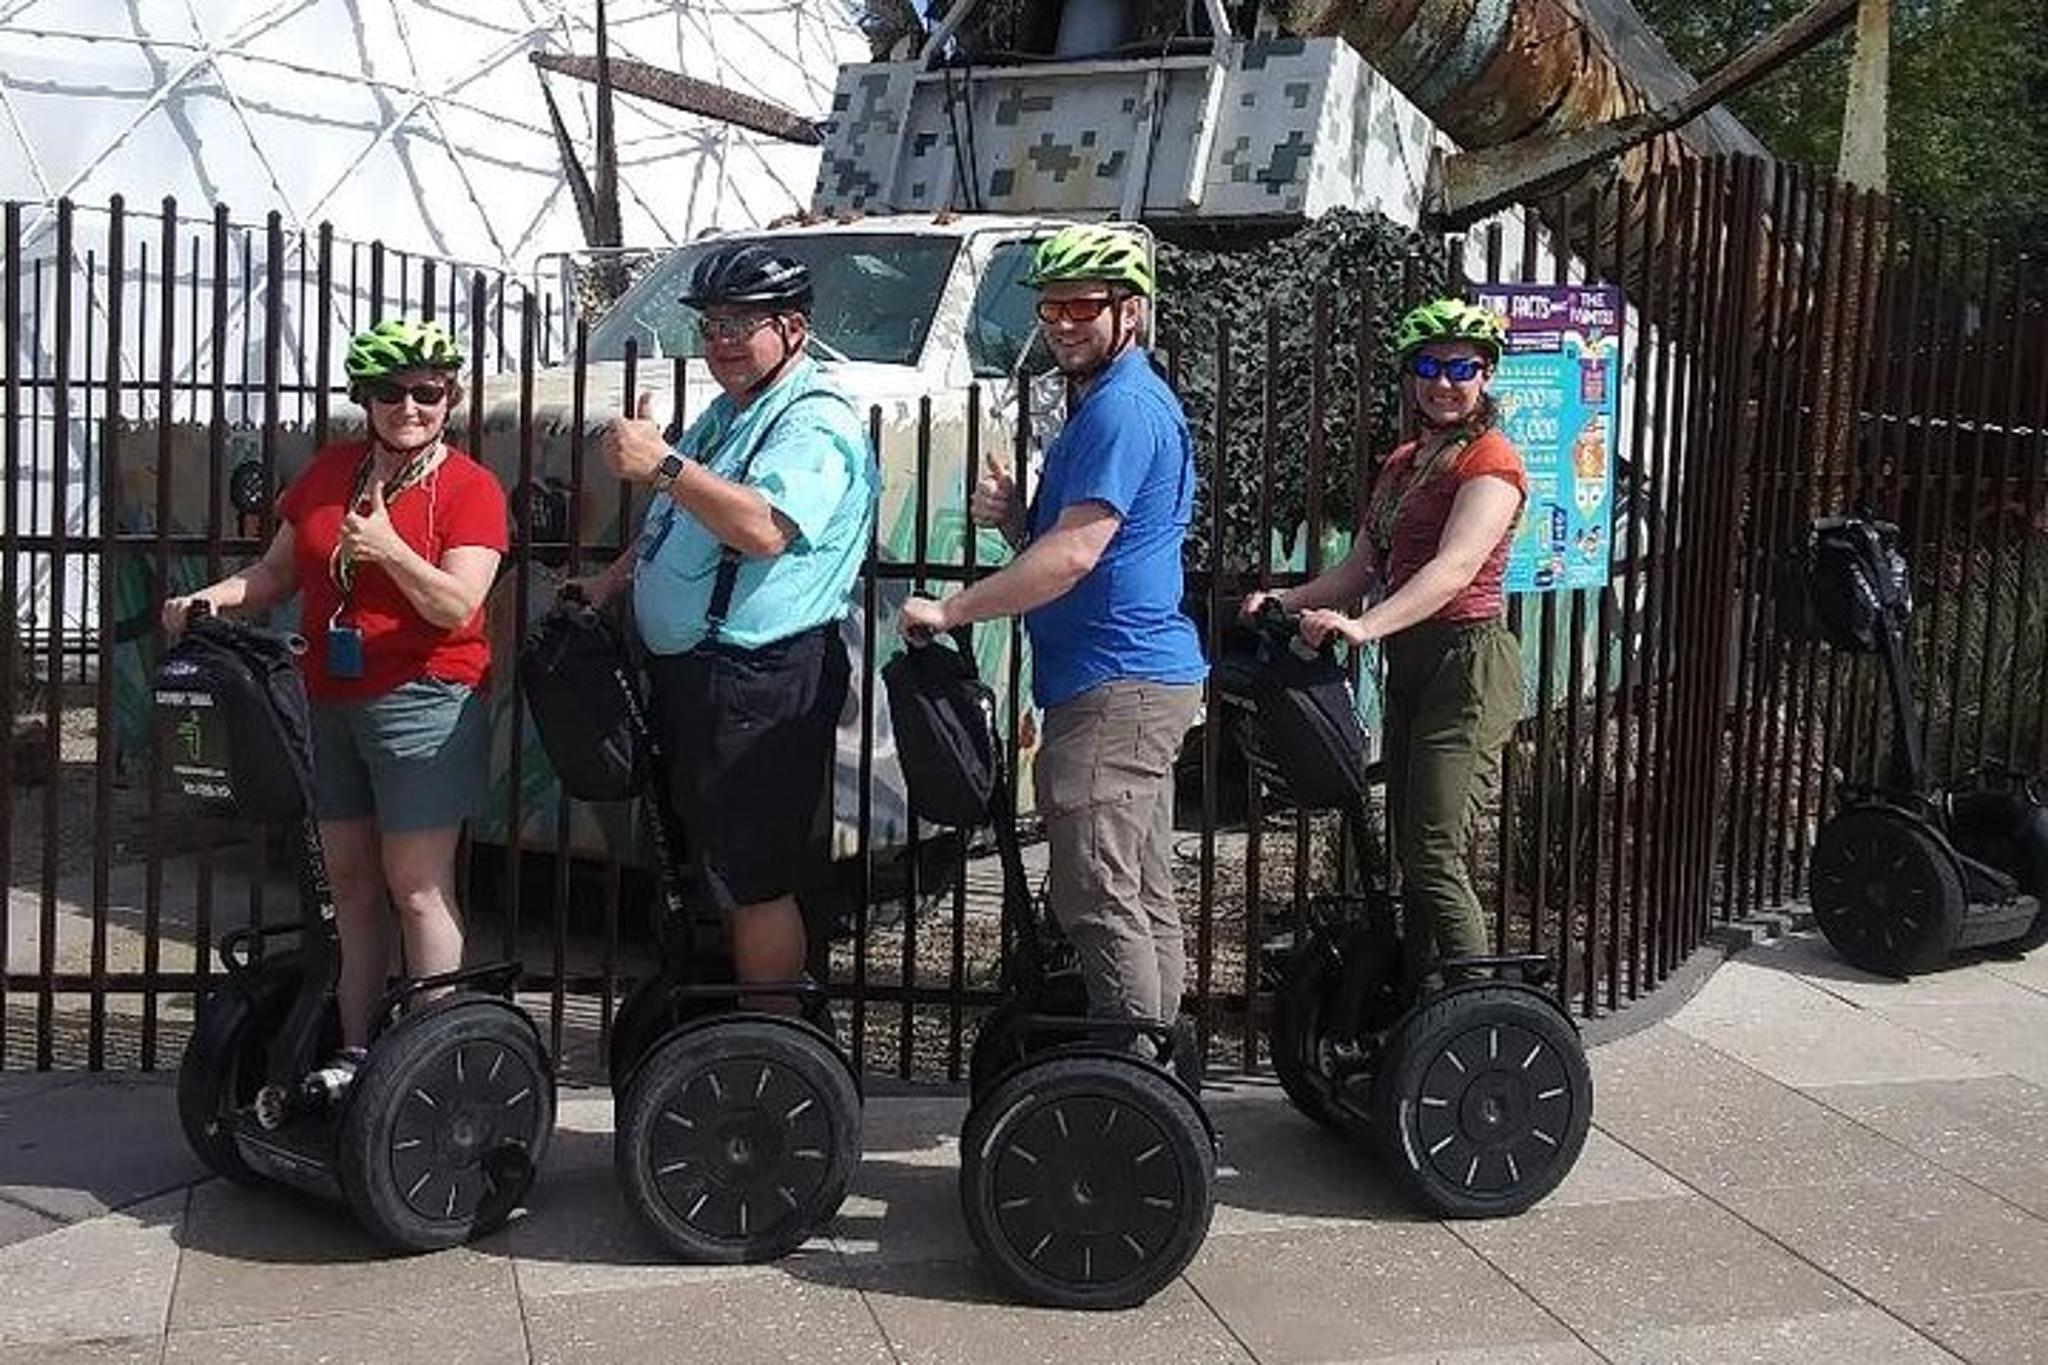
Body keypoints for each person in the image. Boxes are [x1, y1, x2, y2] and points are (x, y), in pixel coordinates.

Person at [163, 318, 508, 1083]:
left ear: (449, 398)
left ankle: (430, 1058)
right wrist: (209, 599)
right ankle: (355, 1053)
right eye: (391, 392)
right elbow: (277, 573)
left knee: (417, 886)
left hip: (425, 698)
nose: (410, 407)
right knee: (348, 883)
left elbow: (459, 606)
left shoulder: (470, 490)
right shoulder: (331, 472)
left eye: (427, 392)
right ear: (366, 397)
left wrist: (388, 550)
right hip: (328, 696)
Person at [898, 223, 1205, 1038]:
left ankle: (1130, 1077)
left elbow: (1076, 555)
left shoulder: (1123, 409)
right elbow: (1076, 538)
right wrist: (1016, 520)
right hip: (1117, 677)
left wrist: (953, 608)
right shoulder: (1105, 404)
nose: (1062, 321)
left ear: (1129, 313)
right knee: (1136, 887)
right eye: (1049, 306)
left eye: (1082, 305)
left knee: (1098, 892)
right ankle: (1154, 1063)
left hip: (1118, 682)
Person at [568, 243, 877, 1009]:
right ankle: (737, 1030)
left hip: (759, 677)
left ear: (794, 329)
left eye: (742, 323)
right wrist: (612, 580)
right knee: (713, 865)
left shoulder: (814, 422)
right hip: (701, 675)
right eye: (711, 326)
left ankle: (768, 1046)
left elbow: (765, 527)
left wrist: (665, 463)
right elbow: (685, 516)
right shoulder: (731, 412)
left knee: (753, 877)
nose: (722, 341)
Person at [1243, 297, 1525, 983]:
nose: (1445, 382)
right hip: (1412, 660)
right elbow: (1362, 566)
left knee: (1433, 849)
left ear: (1484, 375)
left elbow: (1454, 568)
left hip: (1469, 660)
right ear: (1410, 376)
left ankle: (1474, 1006)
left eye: (1462, 367)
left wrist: (1365, 625)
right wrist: (1288, 599)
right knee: (1409, 845)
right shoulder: (1404, 462)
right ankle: (1426, 999)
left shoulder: (1491, 462)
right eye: (1429, 366)